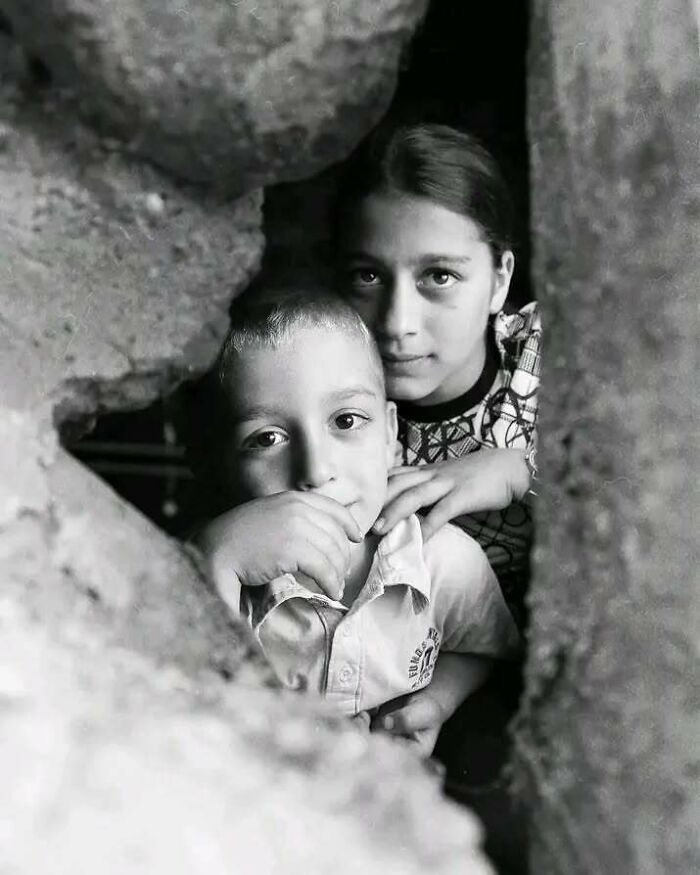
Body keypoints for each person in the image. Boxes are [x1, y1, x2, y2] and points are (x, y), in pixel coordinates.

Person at [196, 287, 520, 752]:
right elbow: (190, 692)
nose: (315, 470)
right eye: (267, 438)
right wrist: (218, 560)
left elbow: (478, 649)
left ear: (390, 434)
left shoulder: (443, 562)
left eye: (346, 421)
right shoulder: (217, 570)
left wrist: (438, 702)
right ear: (224, 465)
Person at [334, 123, 541, 635]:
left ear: (500, 280)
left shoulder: (554, 356)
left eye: (439, 276)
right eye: (369, 276)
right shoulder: (320, 402)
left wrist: (519, 472)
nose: (396, 322)